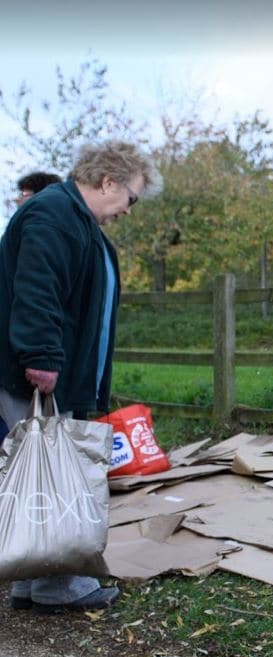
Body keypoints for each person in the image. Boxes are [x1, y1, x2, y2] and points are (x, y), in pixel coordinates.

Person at [0, 141, 155, 613]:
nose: (128, 210)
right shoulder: (55, 217)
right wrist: (42, 354)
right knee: (52, 474)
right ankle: (56, 585)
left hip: (53, 368)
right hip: (38, 371)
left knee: (41, 471)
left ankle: (31, 580)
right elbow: (38, 288)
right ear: (108, 181)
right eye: (131, 198)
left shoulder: (72, 218)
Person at [0, 171, 64, 440]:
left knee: (25, 446)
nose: (18, 201)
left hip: (25, 366)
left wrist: (40, 356)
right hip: (15, 362)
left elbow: (37, 295)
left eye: (24, 195)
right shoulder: (19, 237)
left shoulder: (43, 236)